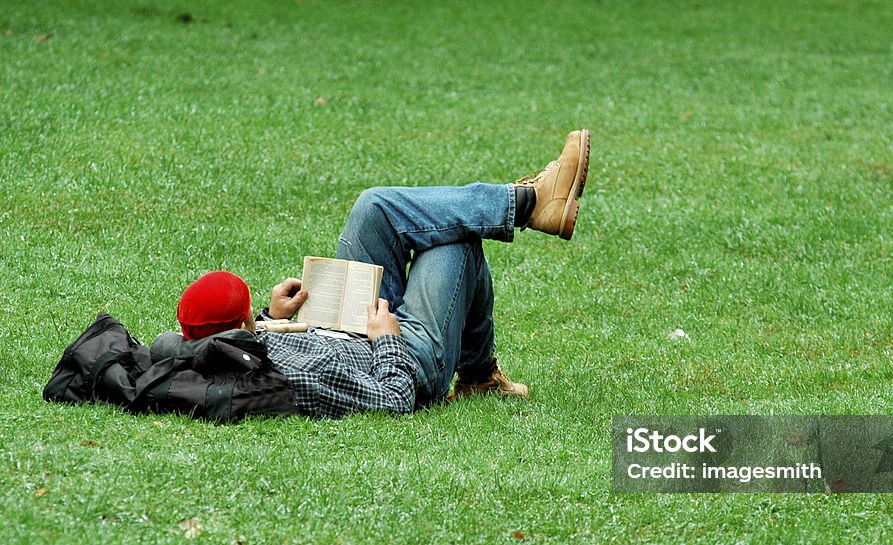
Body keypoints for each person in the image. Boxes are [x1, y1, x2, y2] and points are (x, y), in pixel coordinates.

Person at [172, 130, 591, 418]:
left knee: (374, 207)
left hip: (347, 323)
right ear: (239, 322)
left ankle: (527, 203)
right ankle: (530, 203)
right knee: (457, 239)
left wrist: (274, 318)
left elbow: (239, 339)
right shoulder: (290, 378)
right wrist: (389, 340)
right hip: (401, 356)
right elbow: (391, 398)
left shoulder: (212, 347)